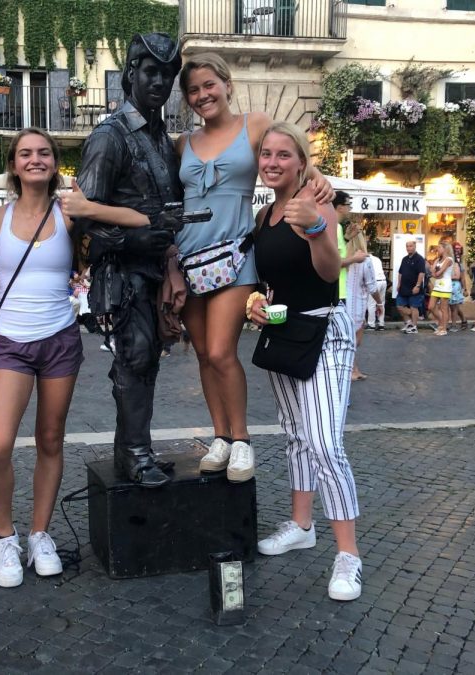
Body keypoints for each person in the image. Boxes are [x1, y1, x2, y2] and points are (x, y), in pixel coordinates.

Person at [175, 52, 333, 481]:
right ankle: (220, 436)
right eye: (193, 90)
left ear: (226, 83)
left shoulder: (255, 124)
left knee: (224, 351)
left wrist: (318, 179)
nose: (203, 94)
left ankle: (241, 439)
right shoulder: (182, 144)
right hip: (190, 257)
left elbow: (294, 154)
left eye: (209, 84)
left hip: (236, 254)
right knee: (205, 355)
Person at [249, 122, 362, 601]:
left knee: (323, 442)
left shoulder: (318, 207)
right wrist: (253, 302)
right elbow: (267, 280)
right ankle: (301, 523)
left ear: (300, 162)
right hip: (283, 329)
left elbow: (329, 271)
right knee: (295, 436)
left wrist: (316, 227)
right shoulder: (263, 217)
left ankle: (348, 556)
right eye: (266, 154)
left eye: (283, 155)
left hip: (325, 332)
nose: (273, 162)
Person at [75, 33, 183, 487]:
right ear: (130, 74)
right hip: (122, 272)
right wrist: (133, 240)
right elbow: (82, 220)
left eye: (167, 74)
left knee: (148, 360)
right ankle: (135, 453)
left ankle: (135, 448)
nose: (159, 81)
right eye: (150, 71)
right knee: (135, 358)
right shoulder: (109, 137)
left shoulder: (162, 139)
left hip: (157, 271)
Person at [0, 128, 86, 588]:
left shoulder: (72, 214)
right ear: (13, 164)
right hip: (9, 342)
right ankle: (6, 538)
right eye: (26, 153)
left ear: (55, 162)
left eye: (44, 152)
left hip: (60, 338)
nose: (35, 159)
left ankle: (40, 533)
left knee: (50, 440)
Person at [343, 221, 379, 380]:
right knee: (355, 342)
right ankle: (349, 369)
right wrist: (379, 302)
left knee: (350, 339)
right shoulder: (364, 259)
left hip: (342, 302)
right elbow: (372, 286)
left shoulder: (343, 257)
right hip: (357, 304)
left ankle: (354, 369)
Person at [396, 237, 425, 334]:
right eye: (407, 246)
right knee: (399, 306)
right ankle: (409, 322)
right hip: (403, 287)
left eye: (410, 246)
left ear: (415, 246)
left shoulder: (420, 259)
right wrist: (399, 284)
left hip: (414, 288)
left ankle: (414, 326)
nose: (408, 248)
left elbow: (421, 273)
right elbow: (400, 272)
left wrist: (417, 286)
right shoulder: (404, 259)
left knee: (414, 306)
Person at [428, 242, 453, 336]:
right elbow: (432, 272)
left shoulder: (449, 259)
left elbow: (439, 273)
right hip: (437, 285)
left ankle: (443, 328)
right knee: (431, 306)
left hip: (445, 285)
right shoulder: (438, 259)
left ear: (445, 249)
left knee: (444, 308)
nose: (437, 249)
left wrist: (435, 273)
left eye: (439, 247)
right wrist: (435, 273)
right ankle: (441, 323)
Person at [365, 252, 387, 330]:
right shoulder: (377, 259)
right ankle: (381, 324)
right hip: (383, 281)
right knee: (381, 303)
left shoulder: (366, 259)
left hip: (375, 282)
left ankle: (371, 324)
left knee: (371, 304)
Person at [449, 242, 467, 331]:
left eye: (459, 248)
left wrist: (465, 289)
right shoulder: (450, 258)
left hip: (456, 284)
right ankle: (463, 320)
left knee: (454, 306)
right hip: (448, 284)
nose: (458, 250)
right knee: (453, 306)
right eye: (456, 248)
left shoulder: (460, 261)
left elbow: (463, 277)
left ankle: (455, 324)